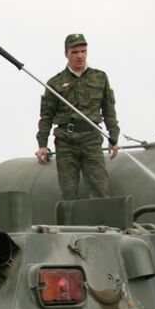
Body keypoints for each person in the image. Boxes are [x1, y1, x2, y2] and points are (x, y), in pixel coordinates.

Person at [35, 34, 121, 200]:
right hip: (66, 140)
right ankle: (71, 224)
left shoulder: (100, 77)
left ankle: (102, 224)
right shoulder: (55, 83)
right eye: (75, 52)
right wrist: (42, 145)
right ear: (66, 54)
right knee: (69, 191)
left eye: (83, 51)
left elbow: (109, 110)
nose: (80, 55)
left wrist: (113, 137)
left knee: (100, 187)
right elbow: (46, 117)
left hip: (91, 139)